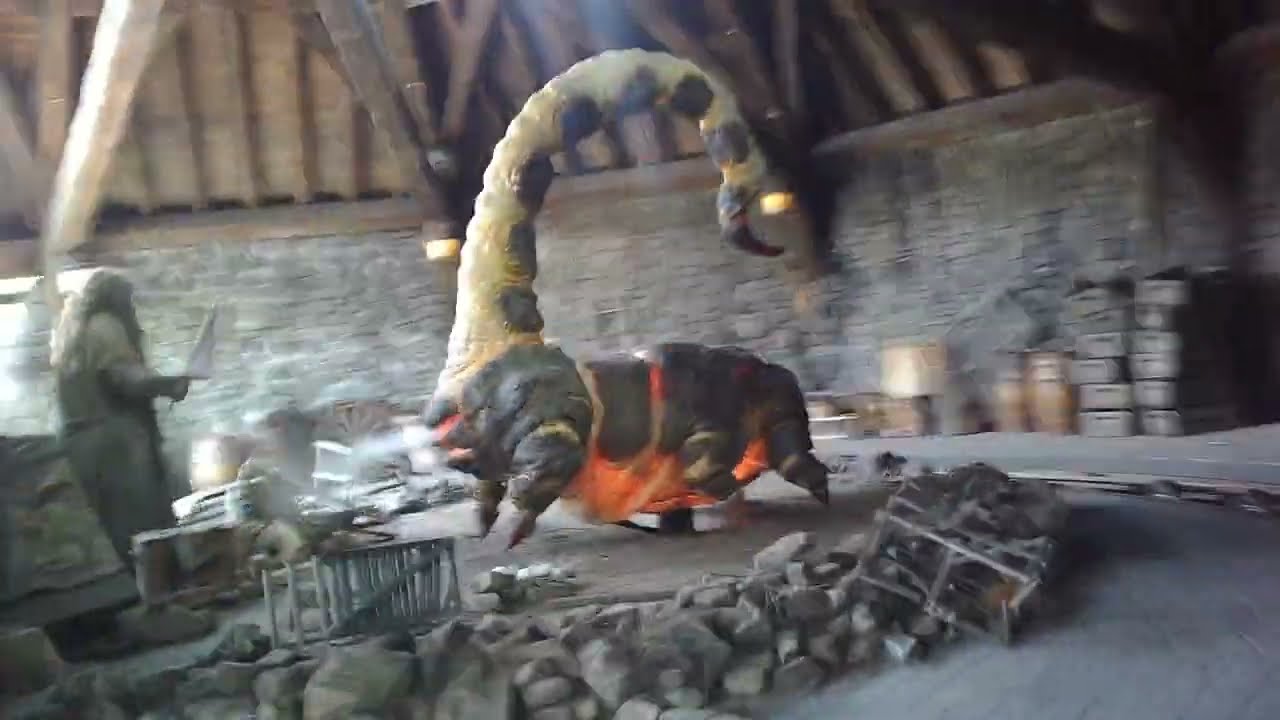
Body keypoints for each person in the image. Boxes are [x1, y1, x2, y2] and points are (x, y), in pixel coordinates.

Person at [45, 269, 201, 658]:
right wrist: (170, 384)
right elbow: (126, 379)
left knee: (108, 537)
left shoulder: (71, 332)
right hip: (115, 446)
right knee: (139, 532)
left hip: (82, 446)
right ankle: (148, 614)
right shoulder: (105, 325)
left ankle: (114, 621)